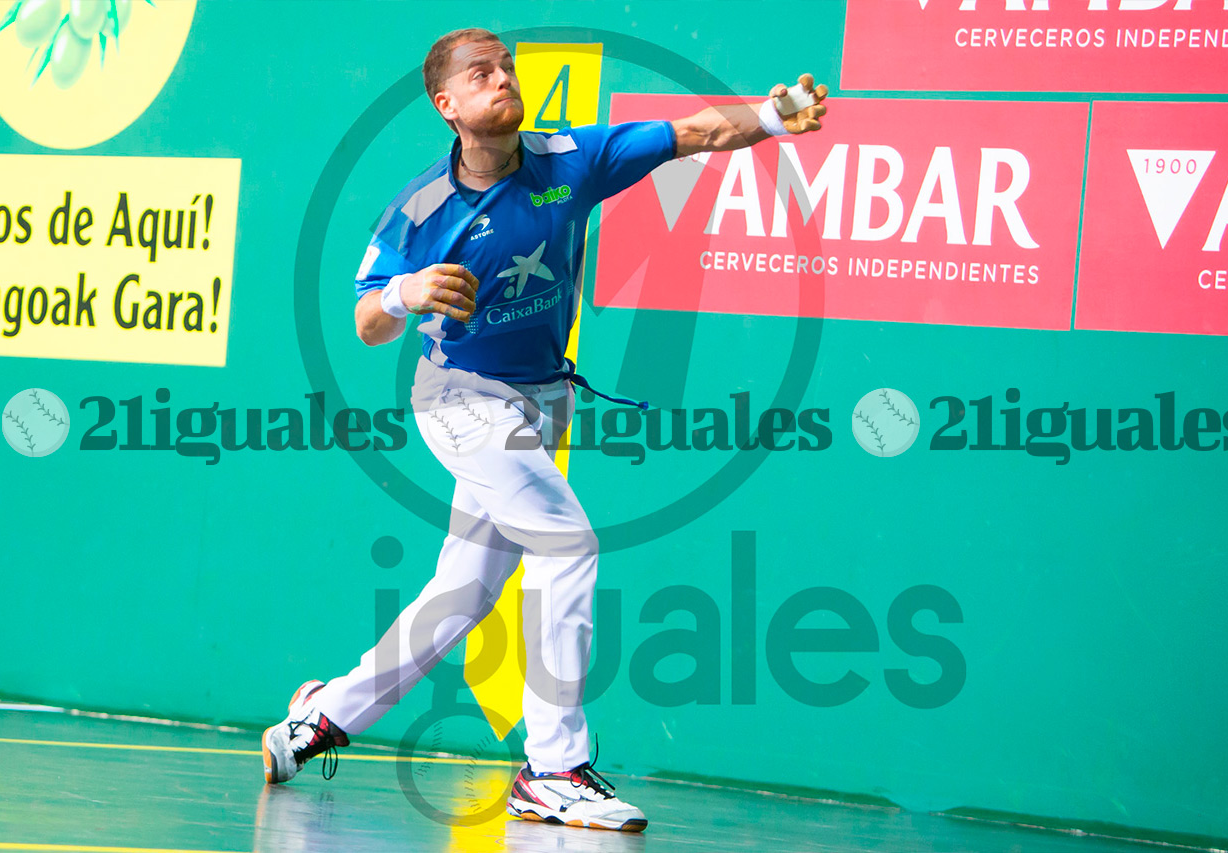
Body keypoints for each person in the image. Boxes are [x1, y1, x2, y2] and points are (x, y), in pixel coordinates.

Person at [260, 26, 828, 833]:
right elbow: (364, 322)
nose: (503, 79)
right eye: (481, 73)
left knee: (461, 593)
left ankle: (314, 721)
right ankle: (554, 766)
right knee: (568, 545)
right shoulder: (422, 207)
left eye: (507, 67)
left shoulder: (571, 161)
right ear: (447, 105)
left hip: (538, 399)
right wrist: (405, 292)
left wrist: (773, 118)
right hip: (460, 400)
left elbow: (693, 133)